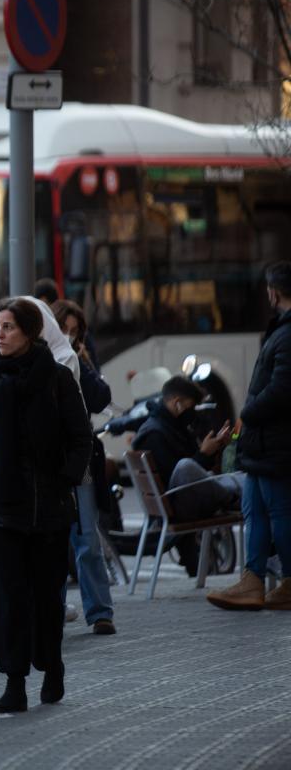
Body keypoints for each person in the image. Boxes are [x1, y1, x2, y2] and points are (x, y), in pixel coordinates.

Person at [0, 297, 93, 713]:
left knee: (46, 600)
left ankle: (52, 668)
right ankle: (14, 682)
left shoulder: (57, 379)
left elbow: (81, 437)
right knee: (7, 600)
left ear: (30, 332)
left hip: (49, 510)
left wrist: (65, 478)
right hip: (2, 509)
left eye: (8, 327)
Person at [208, 262, 291, 611]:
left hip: (274, 442)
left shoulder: (286, 333)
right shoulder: (281, 329)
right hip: (263, 443)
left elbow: (282, 388)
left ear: (274, 291)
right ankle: (252, 580)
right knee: (254, 509)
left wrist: (250, 411)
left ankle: (286, 581)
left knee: (278, 511)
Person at [52, 299, 117, 635]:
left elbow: (101, 396)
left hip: (80, 460)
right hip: (50, 461)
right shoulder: (41, 359)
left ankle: (100, 612)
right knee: (52, 541)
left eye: (75, 331)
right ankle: (52, 610)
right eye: (64, 328)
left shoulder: (77, 359)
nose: (69, 335)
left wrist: (78, 358)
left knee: (87, 538)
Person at [132, 377, 236, 575]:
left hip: (181, 500)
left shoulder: (170, 427)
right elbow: (180, 476)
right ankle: (233, 498)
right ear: (177, 402)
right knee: (189, 467)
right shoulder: (156, 434)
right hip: (179, 505)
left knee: (240, 479)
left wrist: (213, 449)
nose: (193, 412)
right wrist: (203, 454)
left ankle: (234, 494)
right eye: (191, 406)